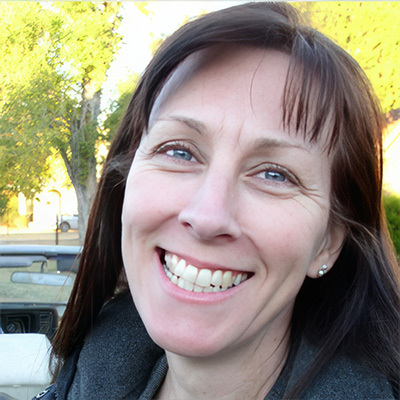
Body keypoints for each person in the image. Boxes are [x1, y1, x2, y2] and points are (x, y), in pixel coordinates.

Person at [35, 2, 399, 399]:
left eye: (274, 175)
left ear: (328, 242)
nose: (207, 216)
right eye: (179, 152)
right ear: (126, 177)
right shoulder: (85, 374)